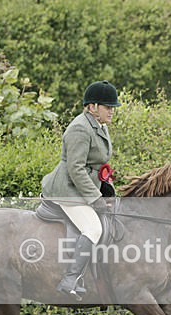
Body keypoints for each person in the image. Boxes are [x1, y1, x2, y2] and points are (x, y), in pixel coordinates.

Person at [41, 80, 121, 299]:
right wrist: (95, 199)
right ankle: (70, 279)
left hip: (81, 187)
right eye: (108, 107)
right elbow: (76, 169)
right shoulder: (79, 128)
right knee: (94, 229)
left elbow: (97, 166)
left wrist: (108, 191)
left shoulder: (99, 126)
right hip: (67, 190)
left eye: (112, 107)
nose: (112, 111)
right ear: (93, 106)